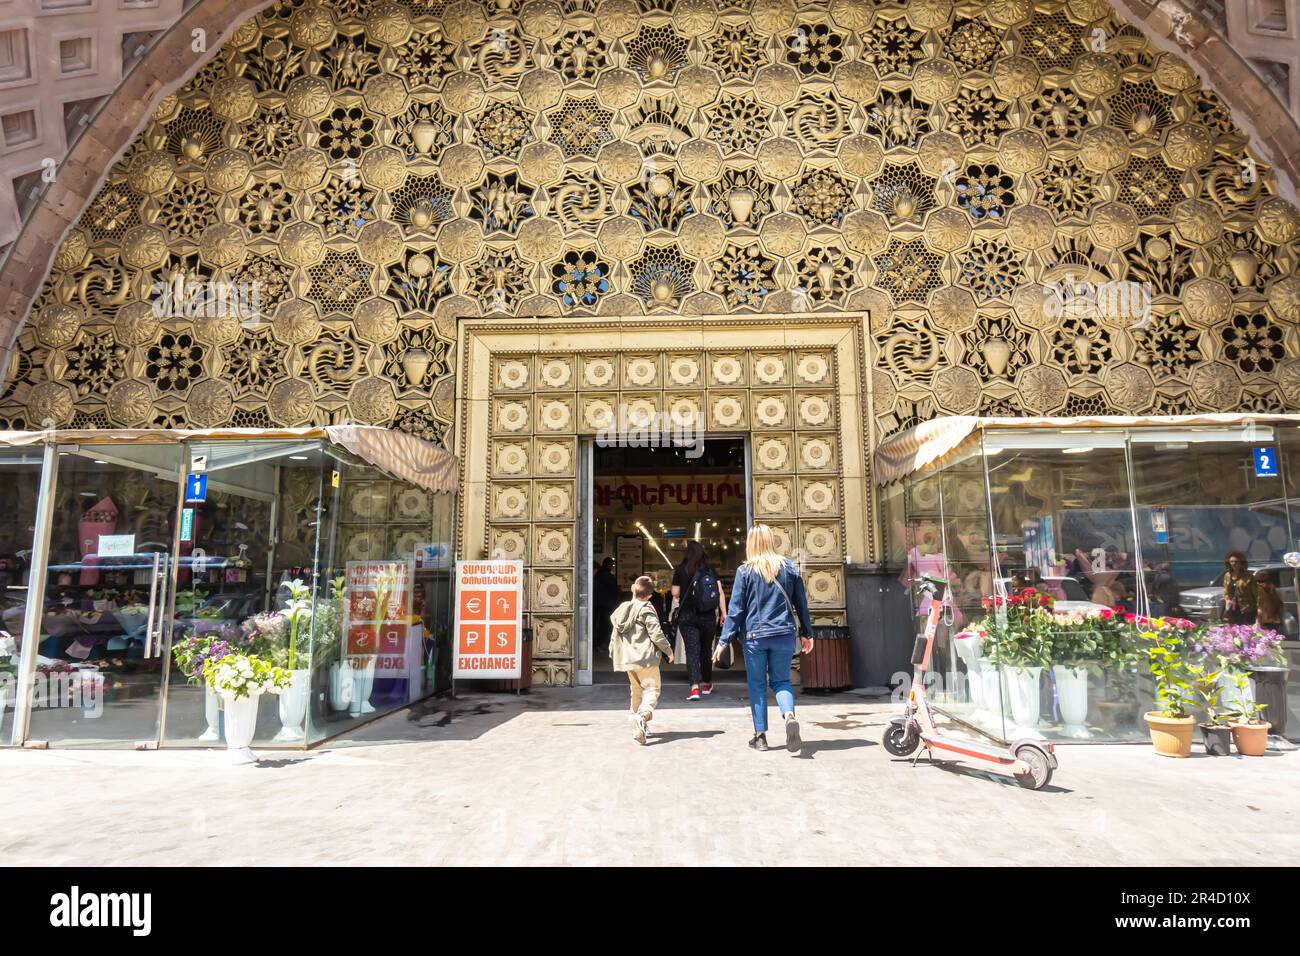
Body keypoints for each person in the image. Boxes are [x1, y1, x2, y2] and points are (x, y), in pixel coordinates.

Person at [712, 524, 814, 753]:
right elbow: (801, 603)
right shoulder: (788, 567)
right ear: (771, 541)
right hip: (784, 634)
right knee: (781, 682)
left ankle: (760, 737)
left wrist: (723, 641)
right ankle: (789, 716)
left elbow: (736, 609)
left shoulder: (745, 571)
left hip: (755, 637)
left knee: (757, 684)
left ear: (751, 544)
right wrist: (807, 633)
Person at [609, 575, 674, 745]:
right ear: (650, 595)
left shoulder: (622, 609)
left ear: (632, 589)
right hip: (645, 658)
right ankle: (641, 717)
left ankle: (637, 725)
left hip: (628, 659)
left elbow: (614, 635)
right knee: (652, 690)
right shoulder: (647, 608)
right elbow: (656, 633)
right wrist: (668, 651)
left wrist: (612, 652)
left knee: (636, 691)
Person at [671, 540, 727, 701]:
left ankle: (694, 688)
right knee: (706, 650)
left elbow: (675, 592)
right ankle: (707, 682)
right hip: (708, 616)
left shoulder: (681, 569)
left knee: (692, 652)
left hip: (687, 616)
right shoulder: (709, 570)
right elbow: (720, 592)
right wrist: (724, 613)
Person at [592, 557, 620, 654]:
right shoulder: (609, 577)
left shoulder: (597, 575)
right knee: (605, 625)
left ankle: (596, 644)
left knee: (596, 624)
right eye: (611, 565)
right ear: (608, 565)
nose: (612, 567)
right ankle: (602, 643)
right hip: (607, 605)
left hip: (596, 604)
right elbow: (614, 591)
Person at [1222, 549, 1256, 625]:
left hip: (1246, 609)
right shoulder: (1227, 575)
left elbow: (1255, 593)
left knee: (1246, 631)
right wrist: (1227, 601)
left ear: (1241, 563)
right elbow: (1225, 591)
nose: (1234, 564)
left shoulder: (1248, 576)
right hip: (1232, 609)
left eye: (1236, 562)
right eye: (1231, 562)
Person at [1255, 569, 1283, 633]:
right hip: (1275, 619)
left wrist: (1258, 622)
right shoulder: (1272, 588)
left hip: (1264, 620)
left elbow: (1260, 608)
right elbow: (1279, 604)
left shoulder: (1260, 589)